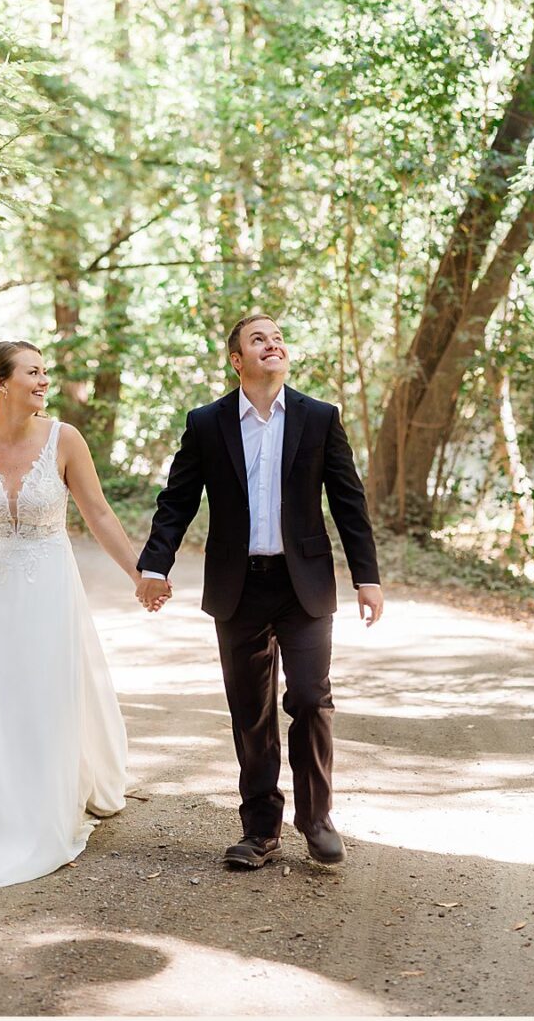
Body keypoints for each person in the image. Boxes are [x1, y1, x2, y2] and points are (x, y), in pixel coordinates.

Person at [135, 314, 383, 870]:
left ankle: (316, 819)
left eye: (278, 338)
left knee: (311, 700)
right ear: (237, 360)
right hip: (238, 586)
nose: (272, 344)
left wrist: (366, 577)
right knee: (250, 711)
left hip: (303, 586)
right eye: (258, 339)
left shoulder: (320, 418)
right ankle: (260, 831)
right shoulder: (207, 423)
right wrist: (154, 565)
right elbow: (177, 501)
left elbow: (349, 502)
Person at [0, 341, 135, 888]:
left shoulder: (65, 438)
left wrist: (140, 574)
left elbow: (98, 513)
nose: (44, 381)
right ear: (1, 383)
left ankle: (43, 808)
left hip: (48, 588)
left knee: (43, 694)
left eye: (45, 372)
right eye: (33, 372)